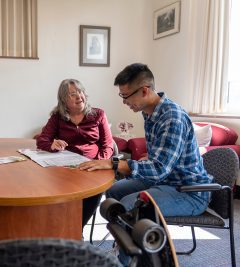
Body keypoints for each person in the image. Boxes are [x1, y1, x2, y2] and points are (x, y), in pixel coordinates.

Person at [78, 63, 212, 264]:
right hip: (166, 181)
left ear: (144, 90)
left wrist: (116, 164)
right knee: (114, 191)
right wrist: (148, 158)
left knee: (129, 205)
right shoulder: (149, 112)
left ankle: (126, 260)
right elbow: (161, 158)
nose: (124, 102)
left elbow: (159, 169)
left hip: (188, 191)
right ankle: (127, 246)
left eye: (125, 96)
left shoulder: (172, 116)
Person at [36, 78, 114, 229]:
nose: (79, 96)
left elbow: (108, 146)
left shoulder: (98, 114)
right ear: (64, 100)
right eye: (73, 94)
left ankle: (77, 229)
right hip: (66, 169)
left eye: (81, 92)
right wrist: (52, 144)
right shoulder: (57, 117)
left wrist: (99, 162)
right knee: (56, 191)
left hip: (92, 167)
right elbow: (41, 140)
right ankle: (61, 227)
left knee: (92, 193)